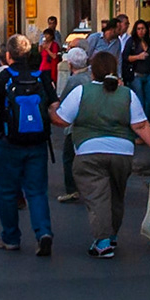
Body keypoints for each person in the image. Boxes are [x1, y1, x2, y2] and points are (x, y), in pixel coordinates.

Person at [52, 52, 150, 259]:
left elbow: (62, 121)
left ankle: (103, 242)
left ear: (92, 70)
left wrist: (51, 111)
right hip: (122, 153)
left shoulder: (81, 92)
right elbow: (140, 125)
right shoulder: (127, 94)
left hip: (89, 151)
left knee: (98, 197)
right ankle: (112, 234)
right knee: (115, 195)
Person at [0, 34, 56, 256]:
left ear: (8, 55)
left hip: (9, 141)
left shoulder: (2, 77)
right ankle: (43, 232)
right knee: (36, 191)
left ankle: (11, 237)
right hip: (37, 142)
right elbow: (54, 104)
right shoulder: (42, 77)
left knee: (7, 191)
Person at [56, 47, 91, 202]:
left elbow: (63, 100)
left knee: (68, 156)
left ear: (70, 64)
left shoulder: (73, 80)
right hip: (92, 122)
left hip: (75, 123)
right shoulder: (90, 76)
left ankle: (72, 189)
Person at [124, 22, 150, 129]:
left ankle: (148, 124)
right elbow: (125, 57)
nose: (141, 31)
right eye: (138, 29)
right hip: (136, 75)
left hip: (148, 74)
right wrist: (138, 57)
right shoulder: (131, 41)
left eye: (143, 28)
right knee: (139, 101)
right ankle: (139, 127)